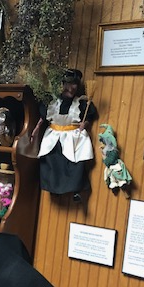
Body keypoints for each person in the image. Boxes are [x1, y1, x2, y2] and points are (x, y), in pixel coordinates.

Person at [32, 69, 97, 201]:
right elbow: (43, 117)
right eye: (67, 84)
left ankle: (76, 189)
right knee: (51, 159)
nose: (71, 88)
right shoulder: (52, 102)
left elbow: (88, 117)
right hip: (54, 135)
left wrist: (85, 124)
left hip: (72, 135)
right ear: (60, 84)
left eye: (74, 84)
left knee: (75, 160)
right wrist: (37, 128)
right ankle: (53, 187)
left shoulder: (81, 103)